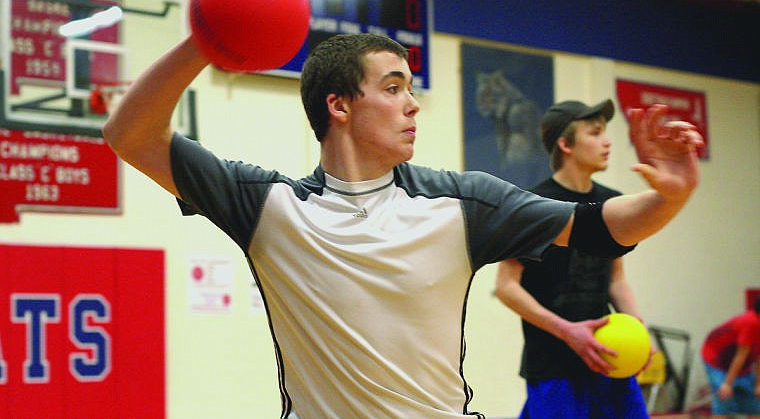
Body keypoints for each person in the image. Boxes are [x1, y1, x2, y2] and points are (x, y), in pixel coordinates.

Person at [103, 32, 703, 418]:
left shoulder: (463, 202)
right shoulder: (267, 204)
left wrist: (670, 198)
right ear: (339, 106)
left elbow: (598, 228)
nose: (413, 104)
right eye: (393, 89)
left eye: (411, 89)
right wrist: (208, 38)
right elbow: (130, 135)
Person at [494, 99, 652, 418]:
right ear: (565, 144)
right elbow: (506, 287)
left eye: (605, 133)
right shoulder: (532, 205)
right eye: (595, 133)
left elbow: (616, 278)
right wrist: (566, 330)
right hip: (553, 363)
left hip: (610, 356)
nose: (607, 141)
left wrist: (638, 329)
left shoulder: (612, 202)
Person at [701, 296, 760, 418]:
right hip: (717, 361)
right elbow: (740, 355)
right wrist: (727, 384)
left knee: (755, 404)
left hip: (741, 363)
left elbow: (758, 357)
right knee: (724, 398)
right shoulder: (750, 322)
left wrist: (758, 384)